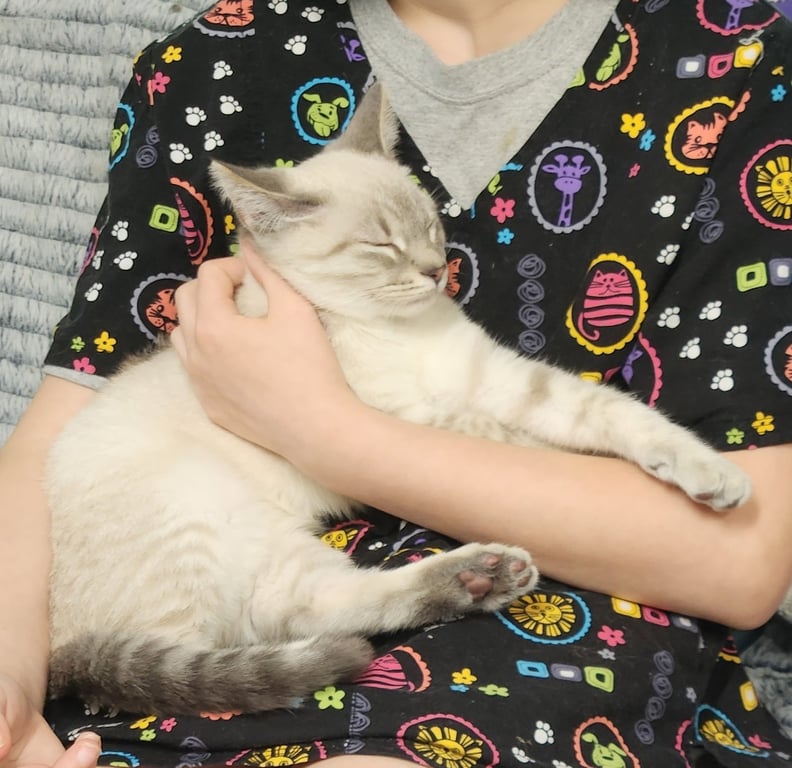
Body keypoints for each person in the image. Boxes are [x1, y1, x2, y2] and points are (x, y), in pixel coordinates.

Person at [2, 0, 792, 766]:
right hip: (200, 626)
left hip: (564, 624)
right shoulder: (213, 59)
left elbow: (741, 560)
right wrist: (8, 679)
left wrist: (320, 429)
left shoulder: (734, 58)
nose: (431, 270)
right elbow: (56, 444)